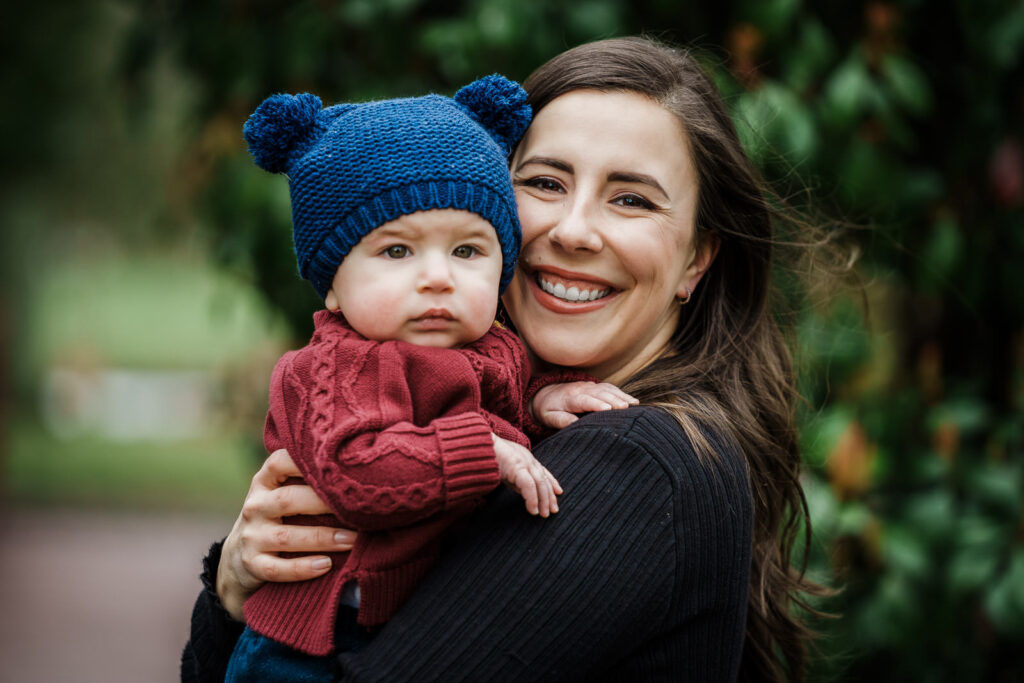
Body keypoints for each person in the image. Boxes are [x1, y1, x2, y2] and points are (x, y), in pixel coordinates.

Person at [183, 35, 841, 682]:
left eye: (631, 198)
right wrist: (235, 586)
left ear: (696, 259)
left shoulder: (638, 461)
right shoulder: (506, 404)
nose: (573, 230)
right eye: (545, 182)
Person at [222, 75, 637, 682]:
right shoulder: (333, 368)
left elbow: (493, 397)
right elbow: (355, 470)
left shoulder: (493, 347)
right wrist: (484, 453)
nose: (438, 277)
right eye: (397, 252)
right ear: (333, 284)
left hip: (398, 626)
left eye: (468, 251)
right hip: (313, 646)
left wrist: (545, 394)